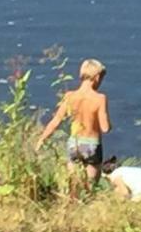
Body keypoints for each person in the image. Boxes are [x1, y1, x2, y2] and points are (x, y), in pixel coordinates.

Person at [35, 58, 112, 192]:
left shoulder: (69, 96)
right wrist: (109, 123)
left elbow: (56, 121)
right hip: (92, 145)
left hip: (74, 144)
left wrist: (42, 139)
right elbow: (105, 128)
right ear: (97, 77)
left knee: (73, 186)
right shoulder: (100, 98)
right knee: (90, 187)